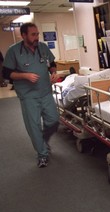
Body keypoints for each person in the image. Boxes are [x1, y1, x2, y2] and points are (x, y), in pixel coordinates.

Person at [2, 22, 59, 168]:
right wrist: (25, 76)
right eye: (33, 34)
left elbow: (52, 63)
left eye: (37, 34)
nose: (36, 37)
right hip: (28, 96)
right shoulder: (13, 51)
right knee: (33, 126)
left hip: (45, 92)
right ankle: (42, 154)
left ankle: (44, 141)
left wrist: (53, 72)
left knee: (53, 120)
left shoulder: (43, 47)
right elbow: (6, 73)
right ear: (24, 35)